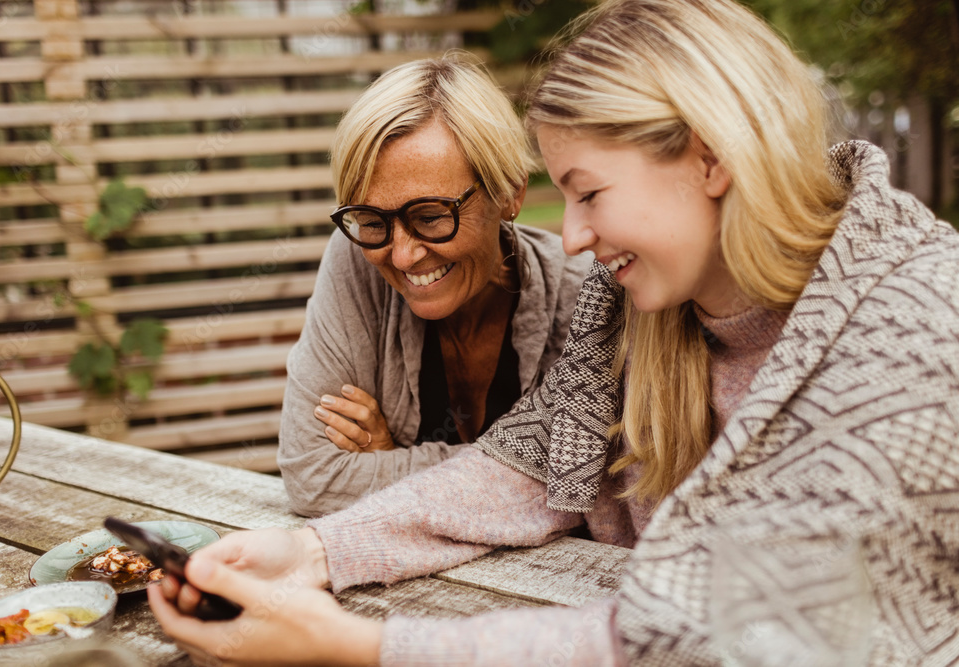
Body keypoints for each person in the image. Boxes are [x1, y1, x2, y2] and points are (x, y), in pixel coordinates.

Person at [150, 0, 959, 664]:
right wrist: (318, 552)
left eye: (587, 193)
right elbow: (535, 460)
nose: (568, 236)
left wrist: (363, 646)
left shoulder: (913, 330)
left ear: (710, 160)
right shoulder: (639, 311)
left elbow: (713, 637)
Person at [277, 55, 590, 517]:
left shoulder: (586, 295)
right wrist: (515, 471)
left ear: (509, 193)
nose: (402, 255)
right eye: (372, 220)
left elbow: (578, 491)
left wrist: (390, 458)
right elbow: (313, 477)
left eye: (430, 216)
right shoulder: (354, 259)